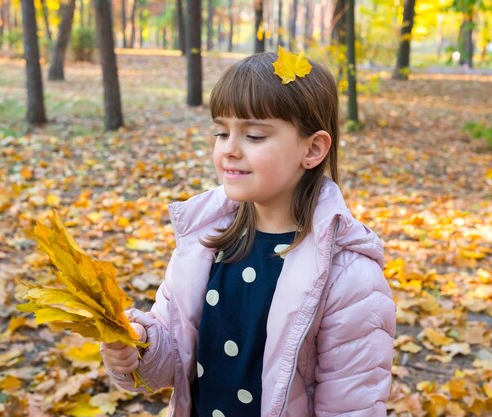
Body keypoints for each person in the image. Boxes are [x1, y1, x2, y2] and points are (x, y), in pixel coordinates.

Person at [101, 48, 396, 417]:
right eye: (222, 132)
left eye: (254, 136)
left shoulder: (347, 278)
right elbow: (171, 362)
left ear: (313, 148)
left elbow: (351, 408)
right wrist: (138, 347)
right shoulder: (203, 244)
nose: (229, 150)